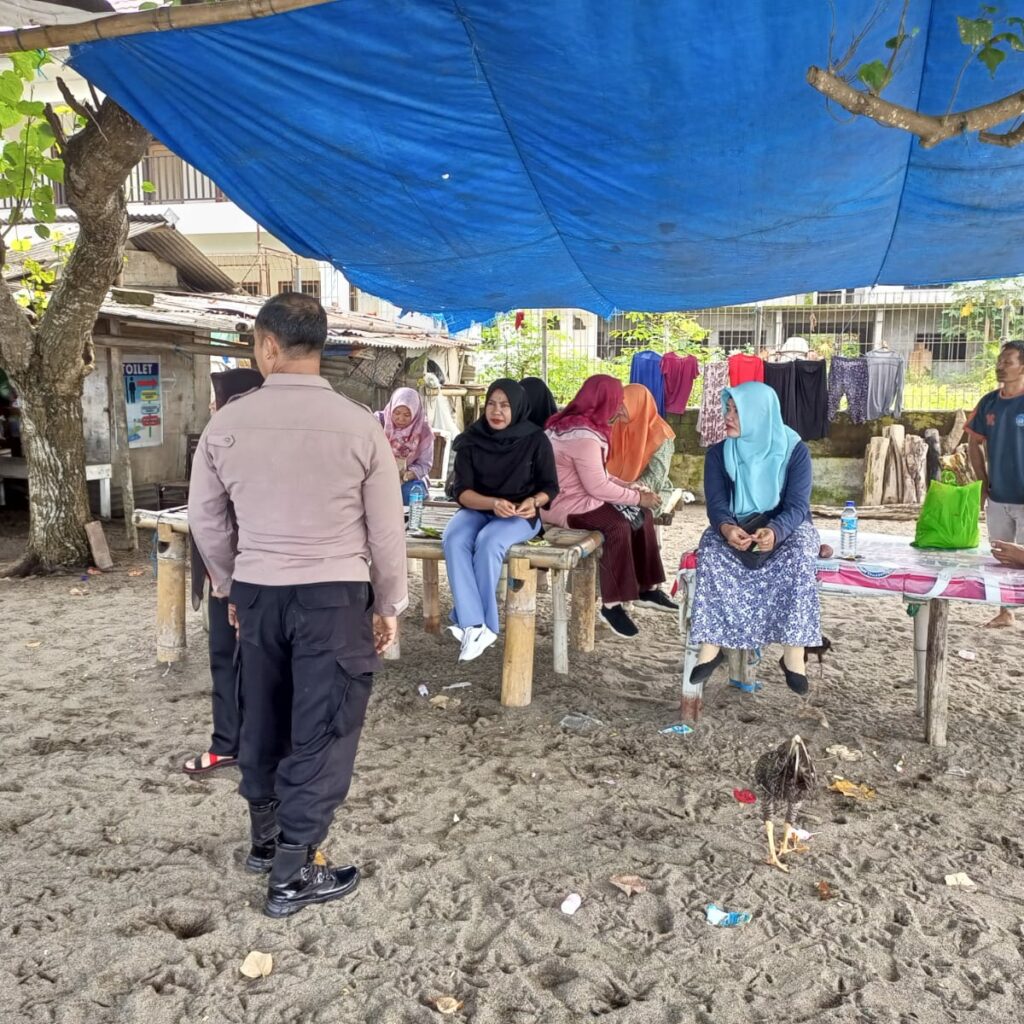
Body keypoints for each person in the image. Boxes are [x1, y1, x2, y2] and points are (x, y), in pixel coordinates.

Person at [188, 293, 407, 918]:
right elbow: (385, 530)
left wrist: (231, 585)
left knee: (262, 712)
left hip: (256, 592)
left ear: (267, 345)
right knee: (323, 727)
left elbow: (206, 517)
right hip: (334, 596)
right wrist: (389, 602)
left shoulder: (227, 424)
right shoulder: (361, 425)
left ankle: (265, 841)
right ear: (320, 348)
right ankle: (291, 874)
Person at [688, 381, 821, 696]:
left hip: (786, 526)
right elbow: (718, 505)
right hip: (738, 526)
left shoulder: (794, 450)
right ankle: (711, 645)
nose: (728, 416)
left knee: (801, 553)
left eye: (737, 410)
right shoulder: (720, 453)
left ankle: (793, 656)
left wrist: (774, 532)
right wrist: (726, 529)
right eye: (728, 408)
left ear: (760, 414)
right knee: (710, 552)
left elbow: (798, 507)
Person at [541, 375, 672, 639]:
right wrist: (635, 496)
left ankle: (646, 587)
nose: (618, 406)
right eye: (616, 400)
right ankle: (612, 605)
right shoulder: (583, 435)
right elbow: (597, 486)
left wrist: (630, 488)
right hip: (567, 505)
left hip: (578, 498)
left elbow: (599, 475)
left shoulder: (574, 425)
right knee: (616, 525)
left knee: (641, 515)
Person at [182, 367, 263, 776]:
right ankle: (242, 741)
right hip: (244, 571)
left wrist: (225, 579)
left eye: (220, 399)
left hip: (237, 572)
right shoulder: (236, 439)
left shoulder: (230, 442)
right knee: (244, 659)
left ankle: (232, 744)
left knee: (234, 658)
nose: (214, 407)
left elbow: (210, 517)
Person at [442, 378, 559, 662]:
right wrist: (493, 503)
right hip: (477, 508)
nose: (497, 411)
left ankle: (476, 624)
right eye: (492, 404)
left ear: (517, 408)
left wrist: (534, 502)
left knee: (489, 541)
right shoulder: (471, 439)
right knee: (454, 538)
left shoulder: (535, 439)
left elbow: (549, 487)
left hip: (520, 514)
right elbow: (463, 493)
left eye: (505, 405)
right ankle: (476, 625)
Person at [967, 340, 1024, 628]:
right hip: (998, 494)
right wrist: (982, 481)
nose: (1000, 367)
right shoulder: (989, 401)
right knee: (1002, 555)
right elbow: (973, 442)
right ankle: (1007, 612)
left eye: (1008, 362)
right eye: (999, 361)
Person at [607, 383, 677, 508]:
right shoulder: (617, 425)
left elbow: (656, 478)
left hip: (650, 490)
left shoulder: (661, 434)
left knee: (631, 513)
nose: (618, 410)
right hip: (617, 487)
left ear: (637, 404)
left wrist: (630, 491)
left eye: (623, 406)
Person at [375, 386, 435, 503]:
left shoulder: (423, 430)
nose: (401, 419)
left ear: (415, 413)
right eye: (396, 413)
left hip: (407, 479)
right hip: (378, 475)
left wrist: (407, 475)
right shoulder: (378, 422)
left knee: (409, 493)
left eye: (407, 415)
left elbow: (425, 464)